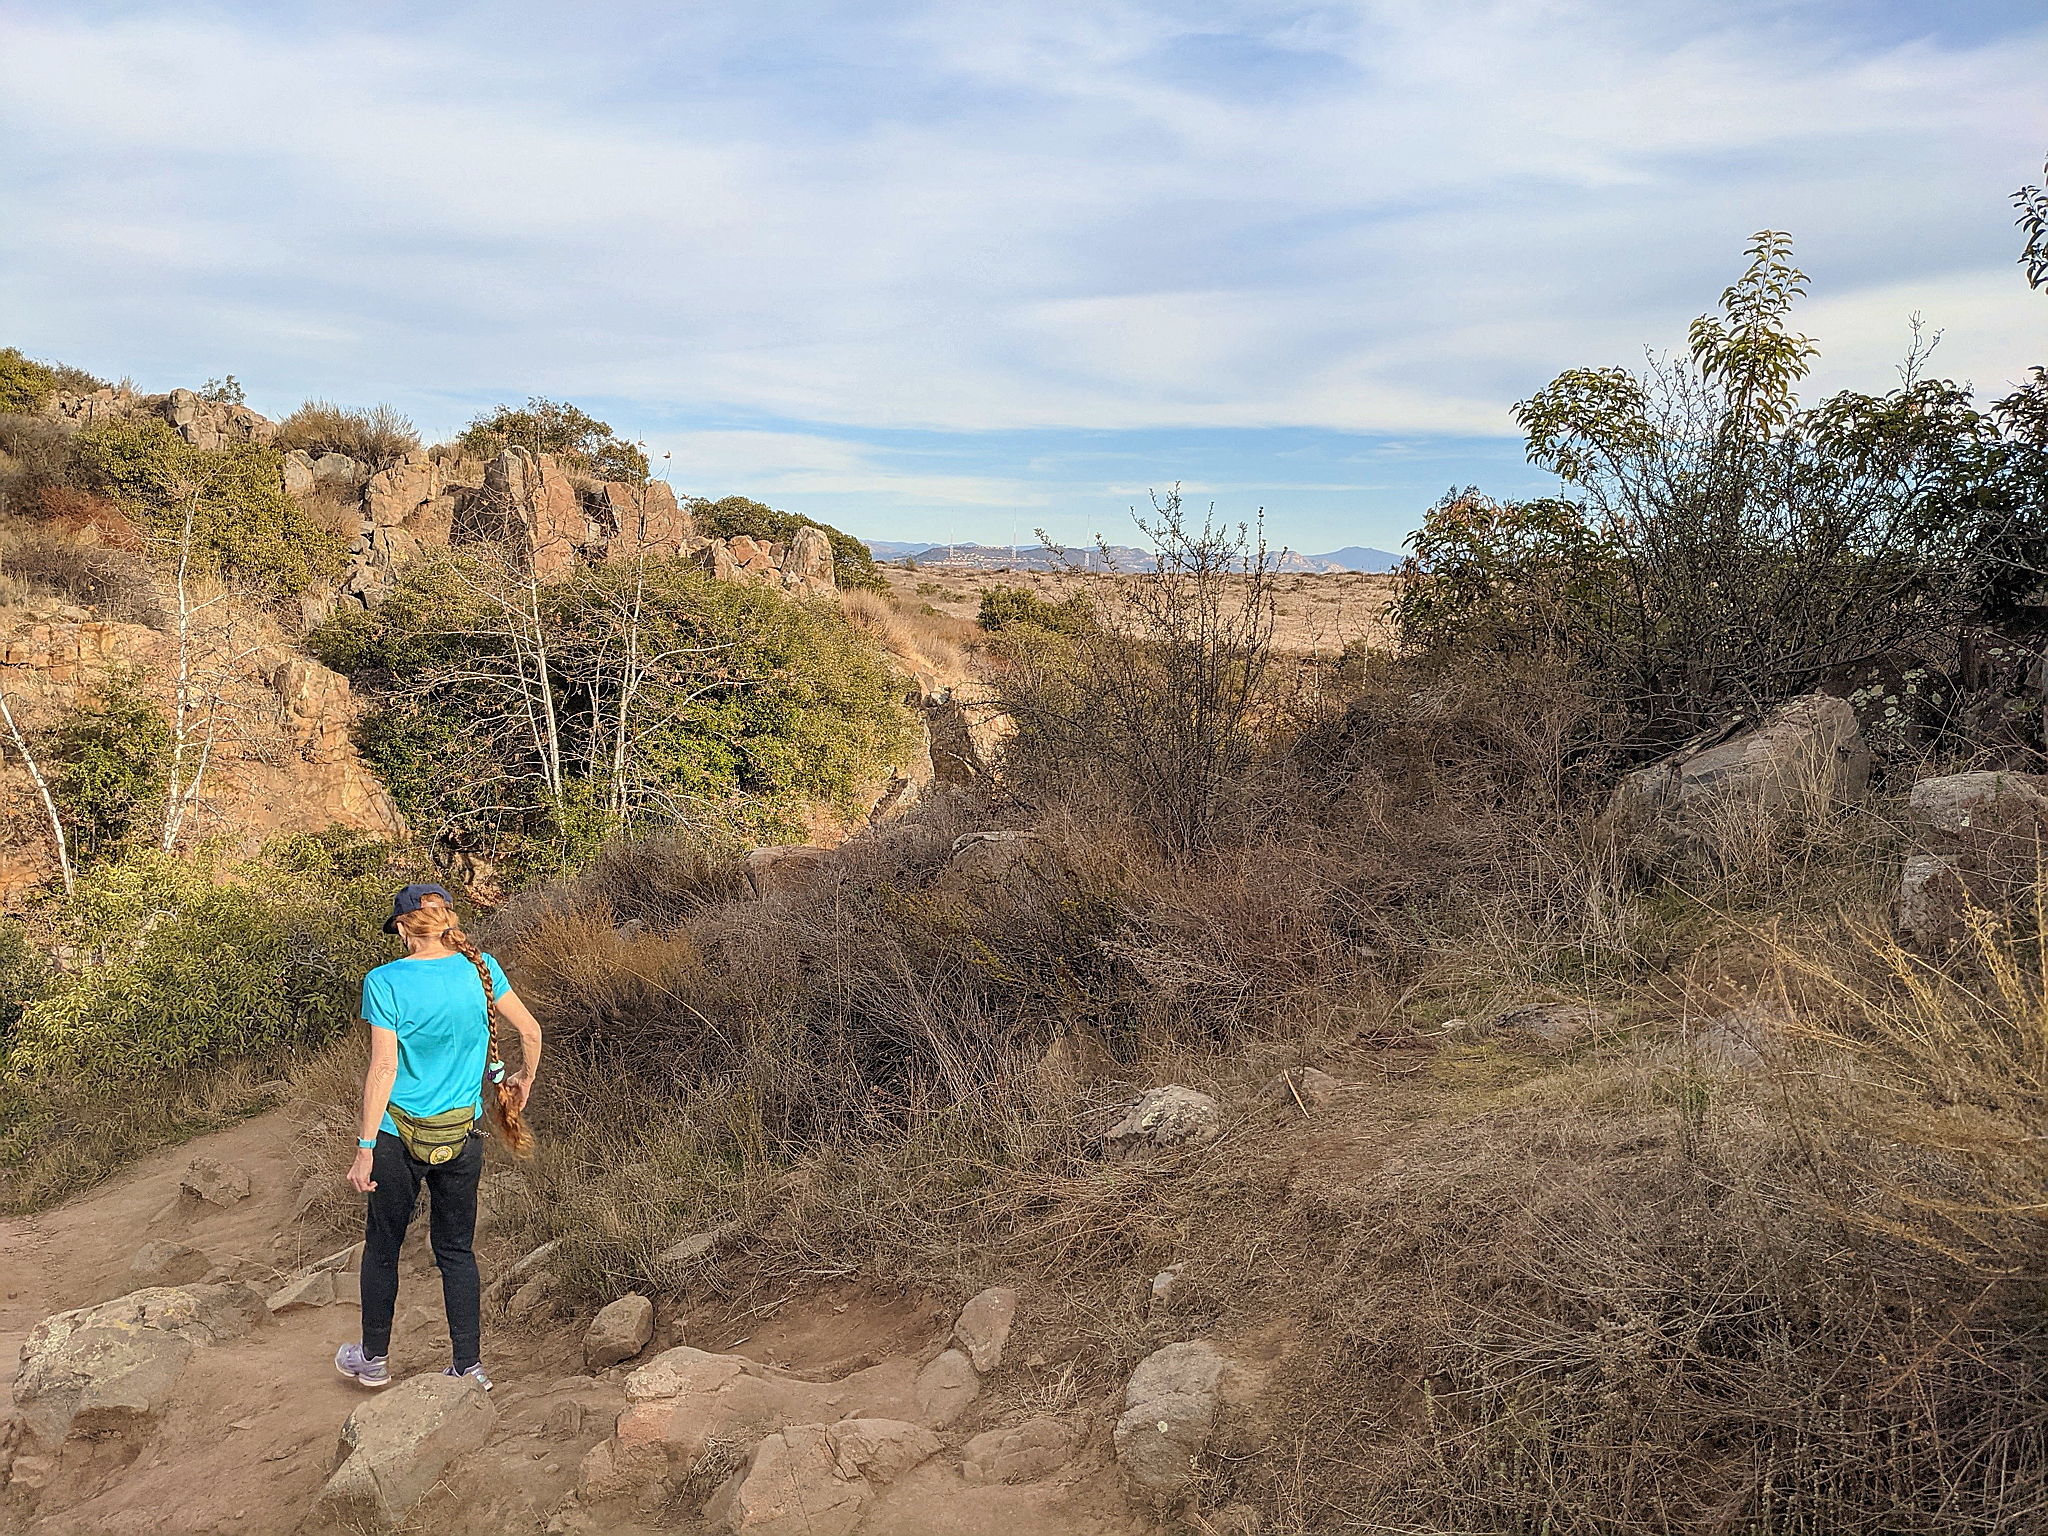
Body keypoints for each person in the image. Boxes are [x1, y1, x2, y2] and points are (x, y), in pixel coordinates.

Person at [333, 884, 543, 1390]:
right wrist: (523, 1080)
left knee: (383, 1245)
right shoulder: (481, 967)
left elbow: (383, 1067)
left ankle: (374, 1359)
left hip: (396, 1135)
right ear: (445, 917)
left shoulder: (384, 981)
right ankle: (469, 1367)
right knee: (456, 1251)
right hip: (463, 1131)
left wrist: (364, 1149)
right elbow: (531, 1033)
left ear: (404, 927)